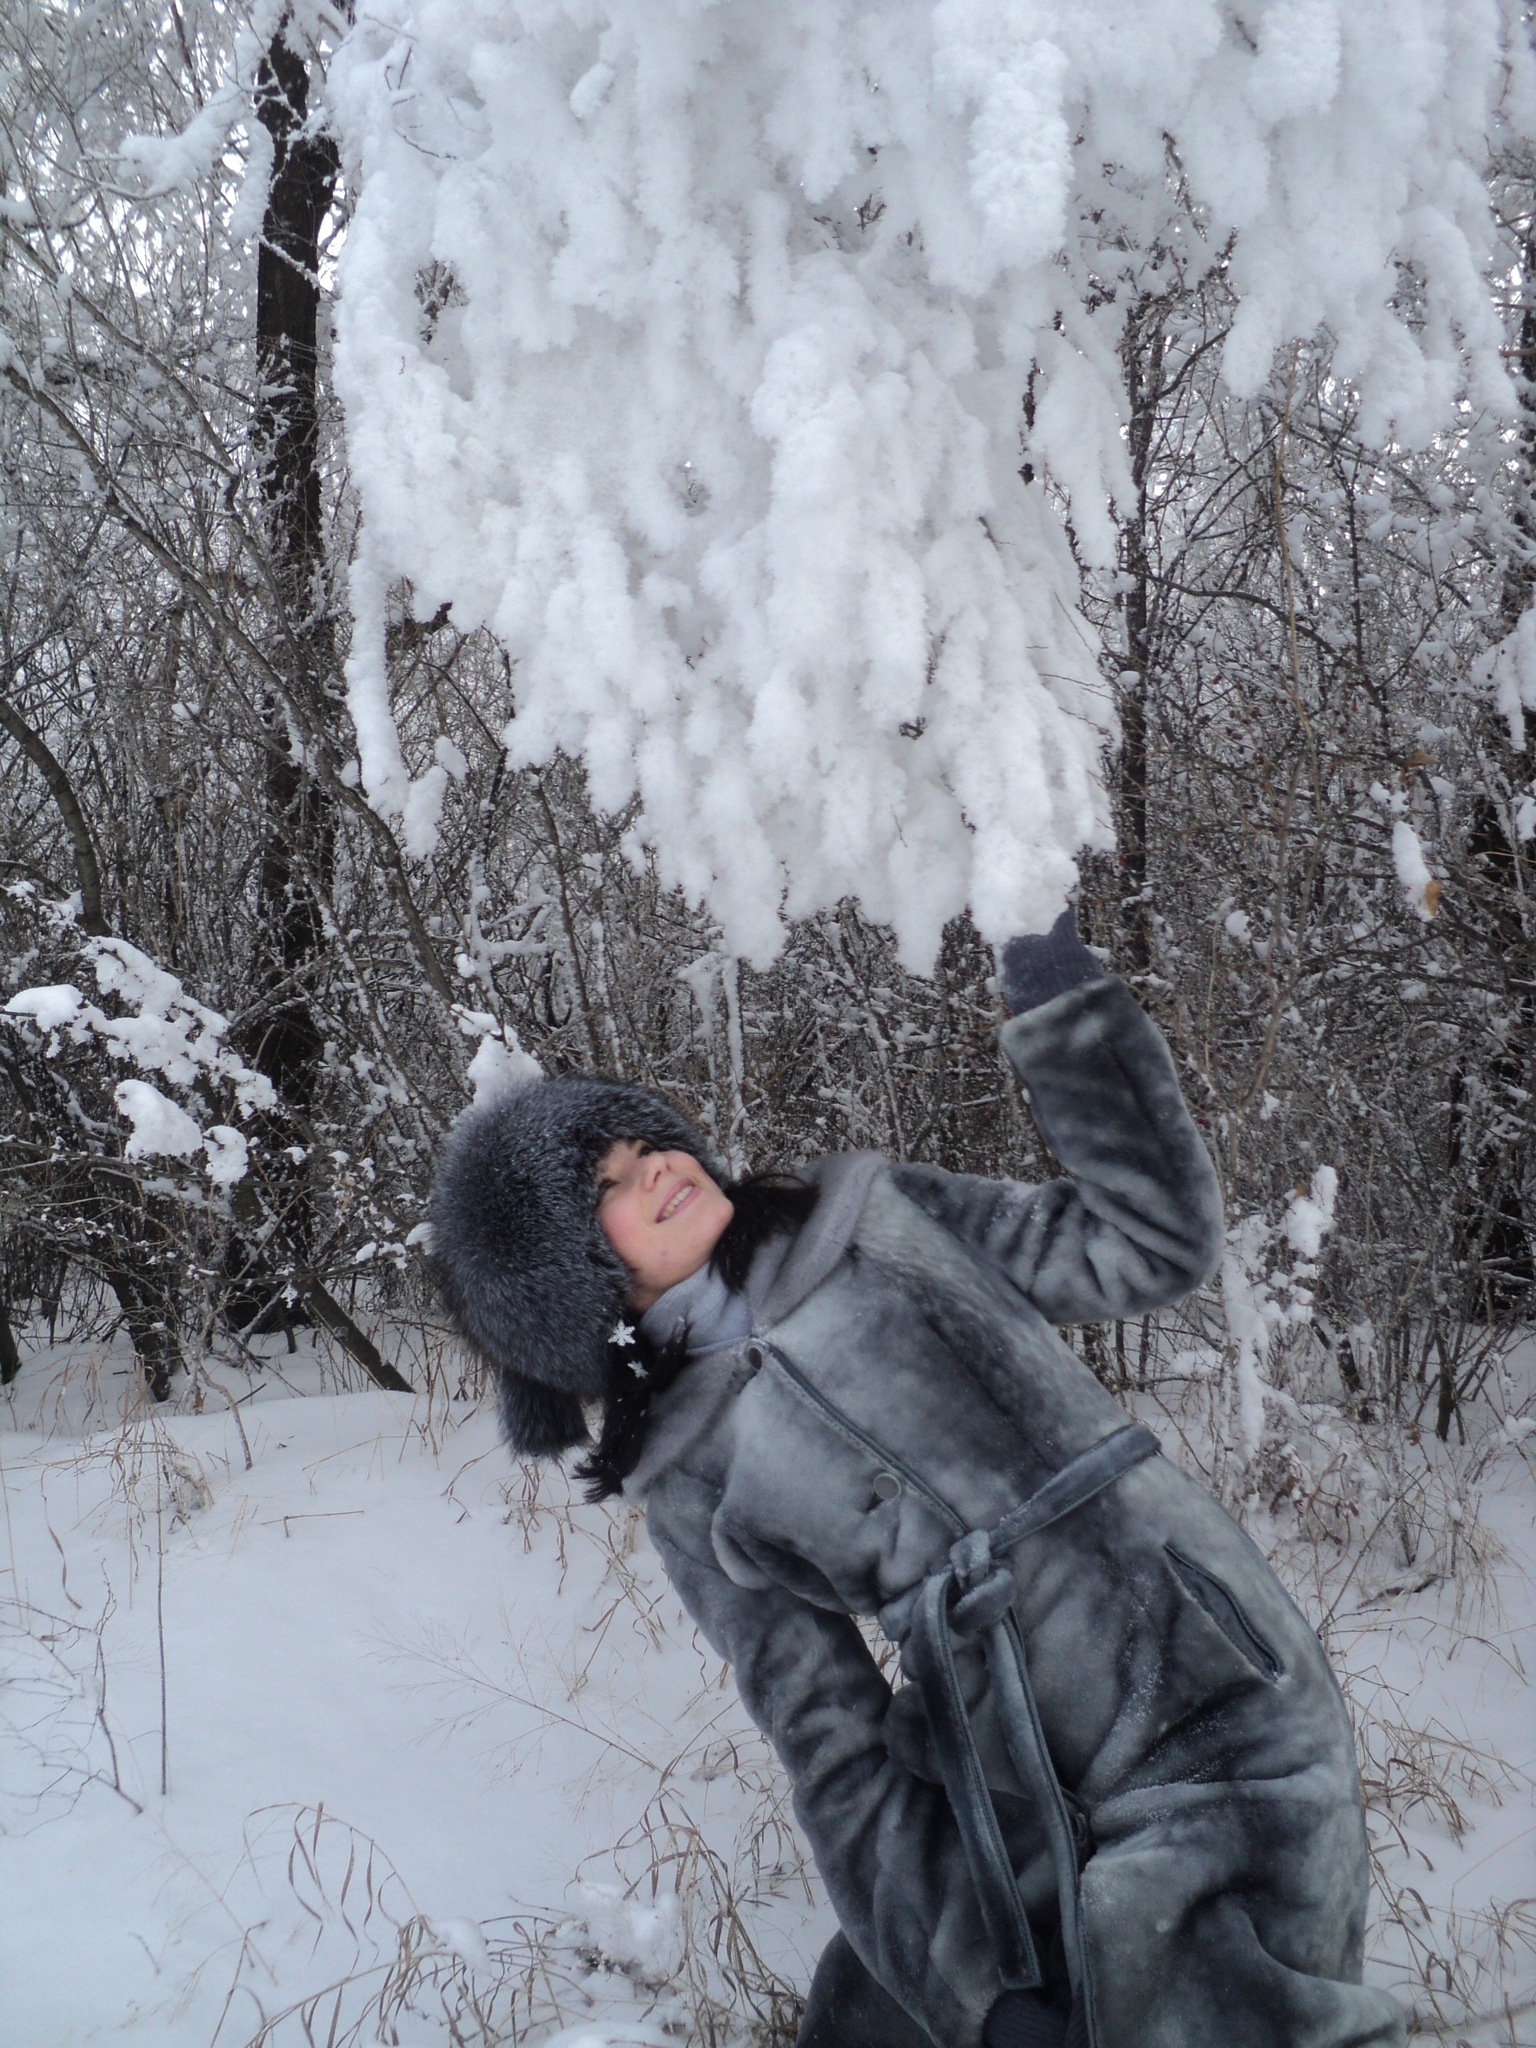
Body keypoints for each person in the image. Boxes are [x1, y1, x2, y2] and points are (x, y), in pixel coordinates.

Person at [428, 911, 1404, 2048]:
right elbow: (830, 1742)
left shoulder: (879, 1219)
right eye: (608, 1181)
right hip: (993, 1777)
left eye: (647, 1141)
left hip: (1210, 1692)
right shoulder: (686, 1480)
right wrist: (974, 2000)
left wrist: (1064, 1007)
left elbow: (1149, 1241)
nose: (654, 1166)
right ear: (567, 1280)